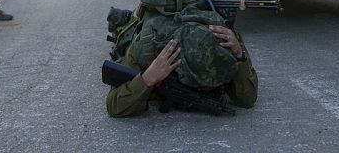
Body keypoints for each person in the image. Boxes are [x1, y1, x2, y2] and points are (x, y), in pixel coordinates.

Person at [106, 25, 258, 117]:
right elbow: (114, 106)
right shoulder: (147, 49)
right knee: (124, 32)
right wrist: (147, 78)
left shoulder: (225, 42)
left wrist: (240, 55)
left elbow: (247, 99)